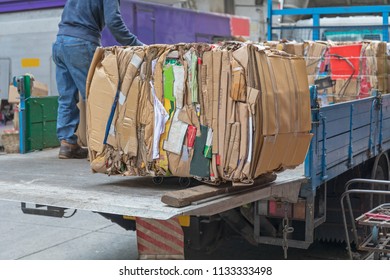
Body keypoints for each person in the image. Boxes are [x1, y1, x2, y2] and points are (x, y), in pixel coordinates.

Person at [53, 0, 143, 159]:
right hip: (81, 44)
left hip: (60, 42)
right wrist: (138, 46)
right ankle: (100, 147)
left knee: (66, 96)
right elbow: (114, 22)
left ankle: (67, 144)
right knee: (97, 95)